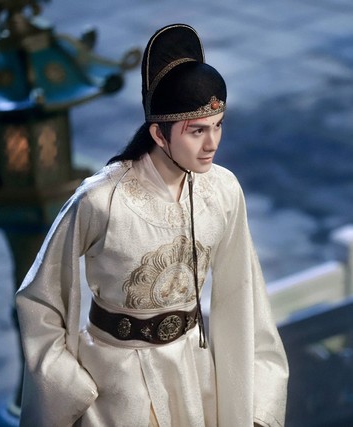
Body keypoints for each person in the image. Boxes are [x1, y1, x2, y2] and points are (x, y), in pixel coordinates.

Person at [15, 23, 289, 427]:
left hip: (193, 373)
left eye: (218, 125)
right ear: (159, 134)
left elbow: (243, 293)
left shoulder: (223, 190)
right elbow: (40, 298)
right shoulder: (101, 200)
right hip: (113, 382)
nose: (212, 143)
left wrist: (256, 402)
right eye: (197, 131)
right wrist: (70, 385)